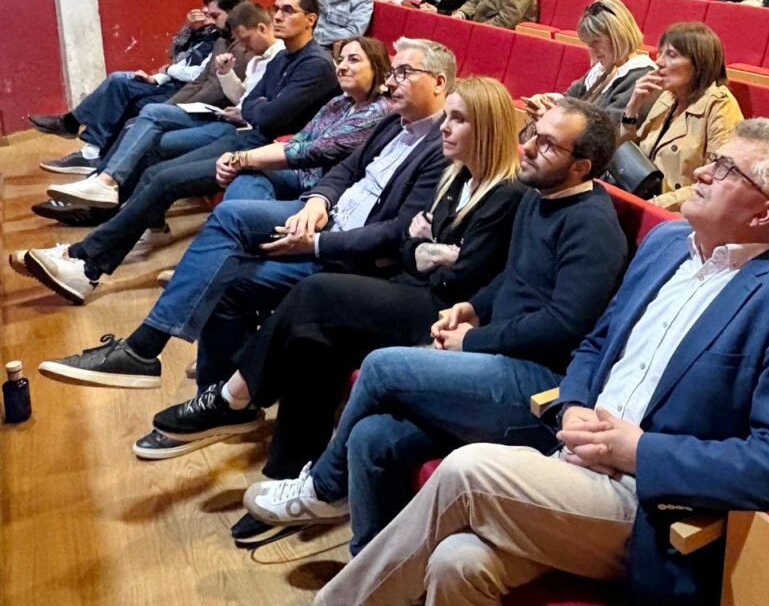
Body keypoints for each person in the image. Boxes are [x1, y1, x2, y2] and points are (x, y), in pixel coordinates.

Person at [309, 118, 769, 606]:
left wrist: (639, 450)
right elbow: (596, 342)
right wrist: (570, 408)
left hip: (648, 506)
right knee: (457, 564)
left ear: (765, 211)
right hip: (568, 463)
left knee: (468, 468)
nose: (700, 170)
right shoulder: (668, 243)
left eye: (725, 169)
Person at [239, 98, 629, 557]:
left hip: (540, 388)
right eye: (532, 134)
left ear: (581, 166)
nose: (526, 149)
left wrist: (472, 340)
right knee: (372, 438)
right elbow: (514, 278)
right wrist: (471, 307)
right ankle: (373, 569)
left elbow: (565, 326)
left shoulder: (592, 226)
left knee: (380, 368)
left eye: (547, 145)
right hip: (496, 361)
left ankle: (323, 489)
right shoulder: (539, 196)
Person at [139, 77, 526, 492]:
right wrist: (430, 248)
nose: (445, 128)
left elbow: (458, 273)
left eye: (459, 120)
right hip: (412, 285)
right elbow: (416, 244)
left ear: (486, 128)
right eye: (446, 117)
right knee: (314, 339)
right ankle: (287, 473)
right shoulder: (457, 177)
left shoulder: (505, 192)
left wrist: (430, 249)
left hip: (441, 311)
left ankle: (233, 396)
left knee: (317, 291)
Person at [36, 38, 454, 390]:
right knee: (216, 199)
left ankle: (150, 351)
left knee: (223, 230)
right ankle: (176, 362)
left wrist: (316, 235)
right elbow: (340, 166)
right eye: (393, 72)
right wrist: (318, 203)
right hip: (318, 206)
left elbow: (385, 220)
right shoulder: (390, 122)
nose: (391, 82)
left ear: (438, 82)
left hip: (341, 239)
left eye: (403, 73)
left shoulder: (427, 138)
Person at [19, 38, 392, 306]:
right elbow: (273, 119)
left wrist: (243, 157)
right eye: (341, 59)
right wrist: (247, 155)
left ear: (379, 69)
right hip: (290, 168)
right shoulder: (338, 103)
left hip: (316, 189)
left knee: (173, 178)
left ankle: (90, 260)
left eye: (354, 61)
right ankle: (95, 253)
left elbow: (308, 147)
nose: (342, 66)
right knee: (167, 163)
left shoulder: (375, 112)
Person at [46, 0, 338, 212]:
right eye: (277, 9)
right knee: (139, 114)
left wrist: (181, 98)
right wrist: (189, 42)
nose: (277, 16)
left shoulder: (279, 56)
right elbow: (204, 73)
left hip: (235, 127)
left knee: (150, 123)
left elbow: (250, 106)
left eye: (214, 16)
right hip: (217, 112)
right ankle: (100, 184)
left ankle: (101, 182)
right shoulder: (232, 43)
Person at [30, 0, 248, 167]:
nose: (207, 17)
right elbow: (175, 53)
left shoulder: (231, 42)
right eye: (207, 12)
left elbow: (199, 77)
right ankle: (84, 143)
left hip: (185, 90)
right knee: (120, 81)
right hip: (172, 84)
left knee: (136, 104)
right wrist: (189, 28)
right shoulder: (215, 34)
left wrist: (167, 84)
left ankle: (96, 160)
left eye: (213, 14)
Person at [621, 22, 742, 210]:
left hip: (678, 212)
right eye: (660, 53)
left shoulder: (719, 105)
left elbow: (717, 180)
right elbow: (627, 155)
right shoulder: (668, 97)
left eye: (671, 55)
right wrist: (632, 108)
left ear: (699, 63)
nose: (659, 62)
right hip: (640, 197)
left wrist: (654, 205)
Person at [524, 0, 657, 124]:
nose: (592, 51)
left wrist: (555, 116)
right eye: (588, 44)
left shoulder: (640, 75)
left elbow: (610, 130)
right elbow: (570, 97)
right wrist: (545, 101)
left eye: (595, 42)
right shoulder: (606, 66)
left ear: (617, 37)